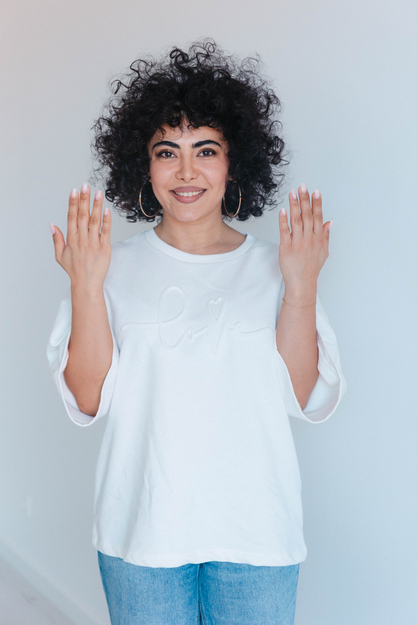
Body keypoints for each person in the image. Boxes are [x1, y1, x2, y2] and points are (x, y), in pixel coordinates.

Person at [46, 40, 346, 625]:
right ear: (143, 165)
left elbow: (303, 394)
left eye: (205, 150)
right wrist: (86, 285)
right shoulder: (110, 268)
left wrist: (302, 285)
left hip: (256, 535)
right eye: (168, 152)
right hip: (142, 534)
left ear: (234, 162)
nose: (187, 172)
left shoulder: (277, 267)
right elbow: (87, 399)